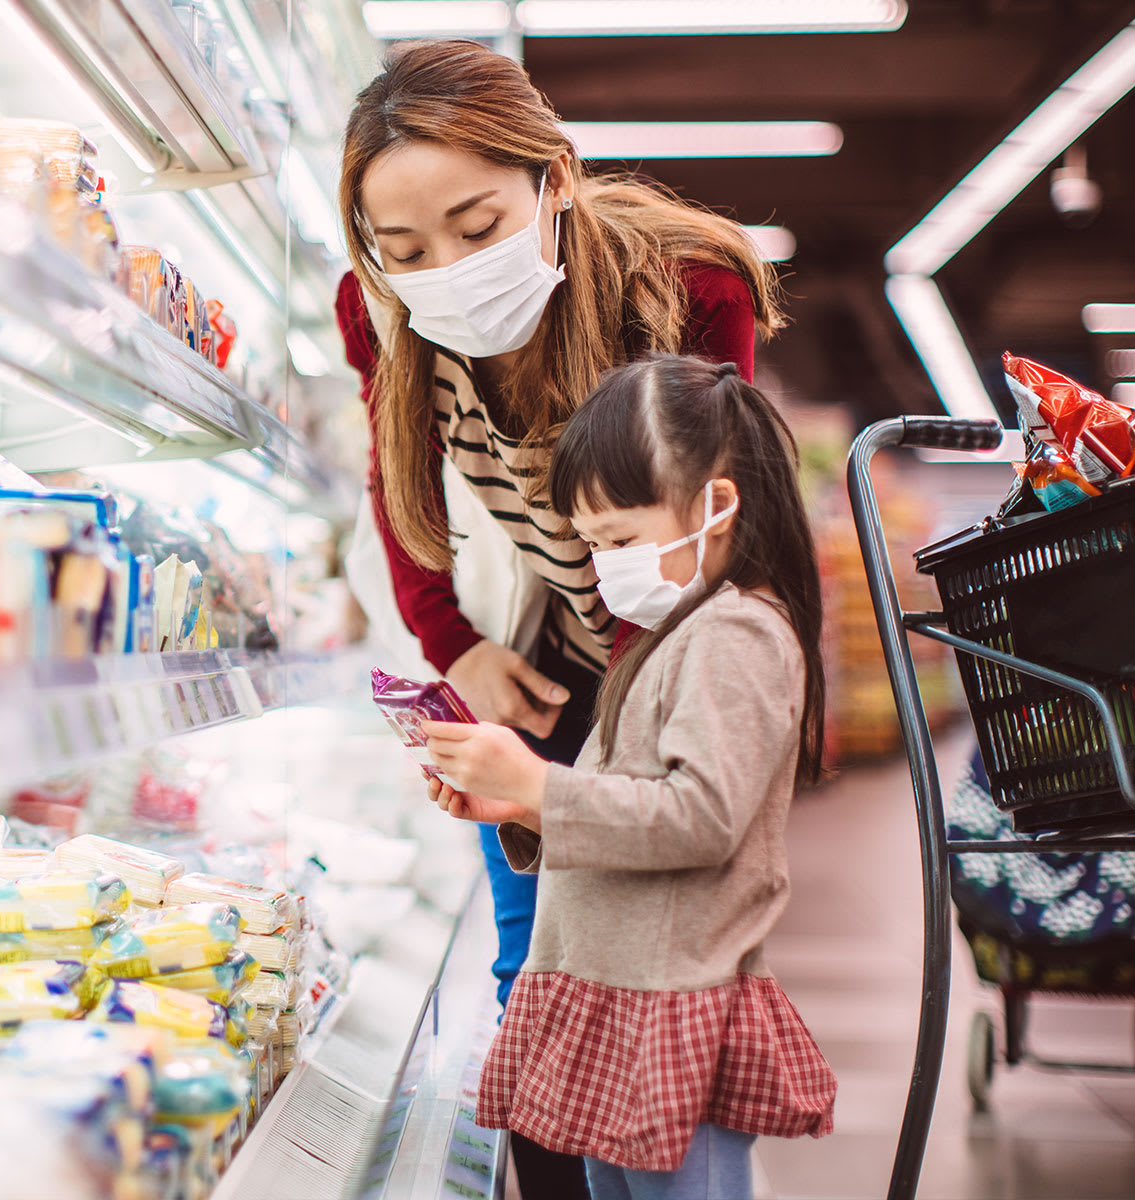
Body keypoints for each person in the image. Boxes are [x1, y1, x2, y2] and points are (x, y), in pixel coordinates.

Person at [336, 40, 783, 1195]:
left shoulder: (688, 289)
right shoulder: (378, 311)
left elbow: (705, 547)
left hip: (673, 645)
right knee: (531, 972)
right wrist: (458, 649)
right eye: (405, 248)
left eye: (478, 227)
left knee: (650, 967)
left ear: (558, 179)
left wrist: (600, 786)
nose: (442, 269)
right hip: (544, 654)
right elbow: (404, 493)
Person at [420, 355, 837, 1200]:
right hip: (621, 1002)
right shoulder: (670, 634)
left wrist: (542, 785)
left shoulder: (737, 635)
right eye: (592, 542)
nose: (603, 566)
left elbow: (699, 817)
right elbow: (631, 805)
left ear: (717, 507)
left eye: (618, 540)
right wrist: (520, 809)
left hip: (670, 1006)